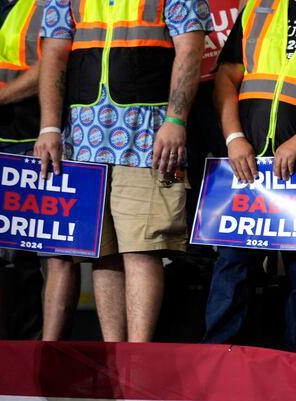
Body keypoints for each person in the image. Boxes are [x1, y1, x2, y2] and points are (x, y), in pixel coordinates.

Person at [34, 0, 212, 342]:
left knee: (142, 248)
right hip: (82, 140)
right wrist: (49, 128)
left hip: (149, 137)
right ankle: (114, 358)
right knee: (101, 253)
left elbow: (190, 50)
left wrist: (175, 120)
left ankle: (138, 358)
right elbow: (54, 57)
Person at [204, 0, 296, 352]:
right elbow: (227, 75)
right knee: (232, 268)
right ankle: (219, 359)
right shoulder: (259, 8)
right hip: (247, 164)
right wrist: (234, 138)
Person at [0, 0, 78, 341]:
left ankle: (49, 355)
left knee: (54, 250)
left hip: (39, 134)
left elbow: (58, 60)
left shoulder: (51, 4)